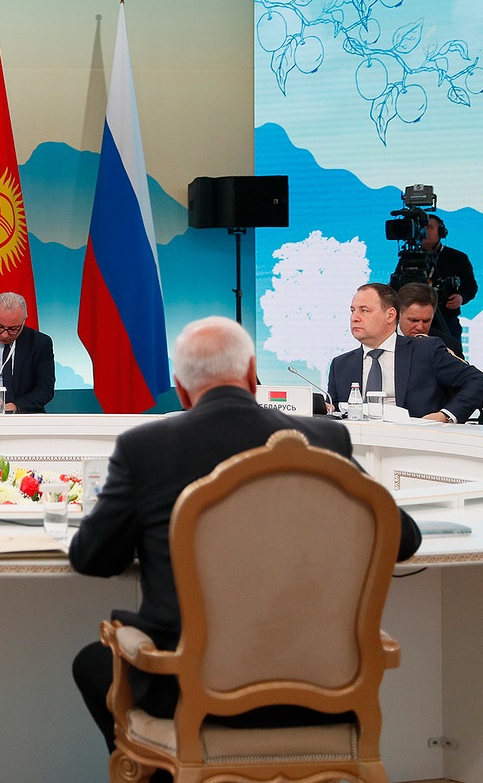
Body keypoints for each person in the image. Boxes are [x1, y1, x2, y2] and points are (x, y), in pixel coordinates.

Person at [68, 317, 422, 779]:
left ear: (180, 387)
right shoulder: (324, 440)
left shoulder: (146, 448)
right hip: (325, 691)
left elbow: (93, 558)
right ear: (253, 372)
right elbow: (404, 539)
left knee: (93, 663)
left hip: (191, 693)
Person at [327, 283, 483, 423]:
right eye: (353, 311)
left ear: (390, 315)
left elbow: (477, 380)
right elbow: (333, 410)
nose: (354, 318)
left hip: (414, 441)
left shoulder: (426, 350)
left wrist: (445, 415)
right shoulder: (340, 365)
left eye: (364, 311)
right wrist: (325, 408)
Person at [422, 214, 476, 358]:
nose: (424, 231)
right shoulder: (409, 258)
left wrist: (461, 297)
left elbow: (471, 286)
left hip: (445, 319)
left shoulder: (457, 257)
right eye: (421, 227)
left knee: (452, 359)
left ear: (441, 232)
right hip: (416, 321)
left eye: (429, 227)